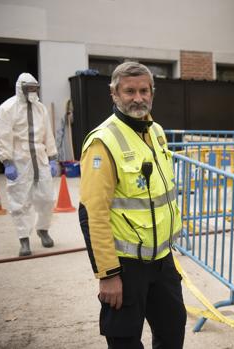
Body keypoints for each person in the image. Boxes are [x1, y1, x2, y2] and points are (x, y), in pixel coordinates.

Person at [78, 62, 186, 348]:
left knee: (173, 330)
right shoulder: (103, 142)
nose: (138, 98)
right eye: (129, 91)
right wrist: (108, 275)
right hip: (125, 267)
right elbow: (93, 215)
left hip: (162, 261)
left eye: (143, 90)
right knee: (125, 340)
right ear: (114, 94)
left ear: (152, 92)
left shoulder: (156, 131)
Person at [0, 73, 58, 256]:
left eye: (35, 88)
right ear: (21, 88)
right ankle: (24, 239)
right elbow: (2, 136)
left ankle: (43, 229)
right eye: (29, 88)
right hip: (19, 160)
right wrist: (7, 161)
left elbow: (48, 133)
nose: (32, 92)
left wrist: (52, 157)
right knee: (20, 201)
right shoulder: (7, 108)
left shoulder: (41, 108)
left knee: (47, 198)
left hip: (40, 158)